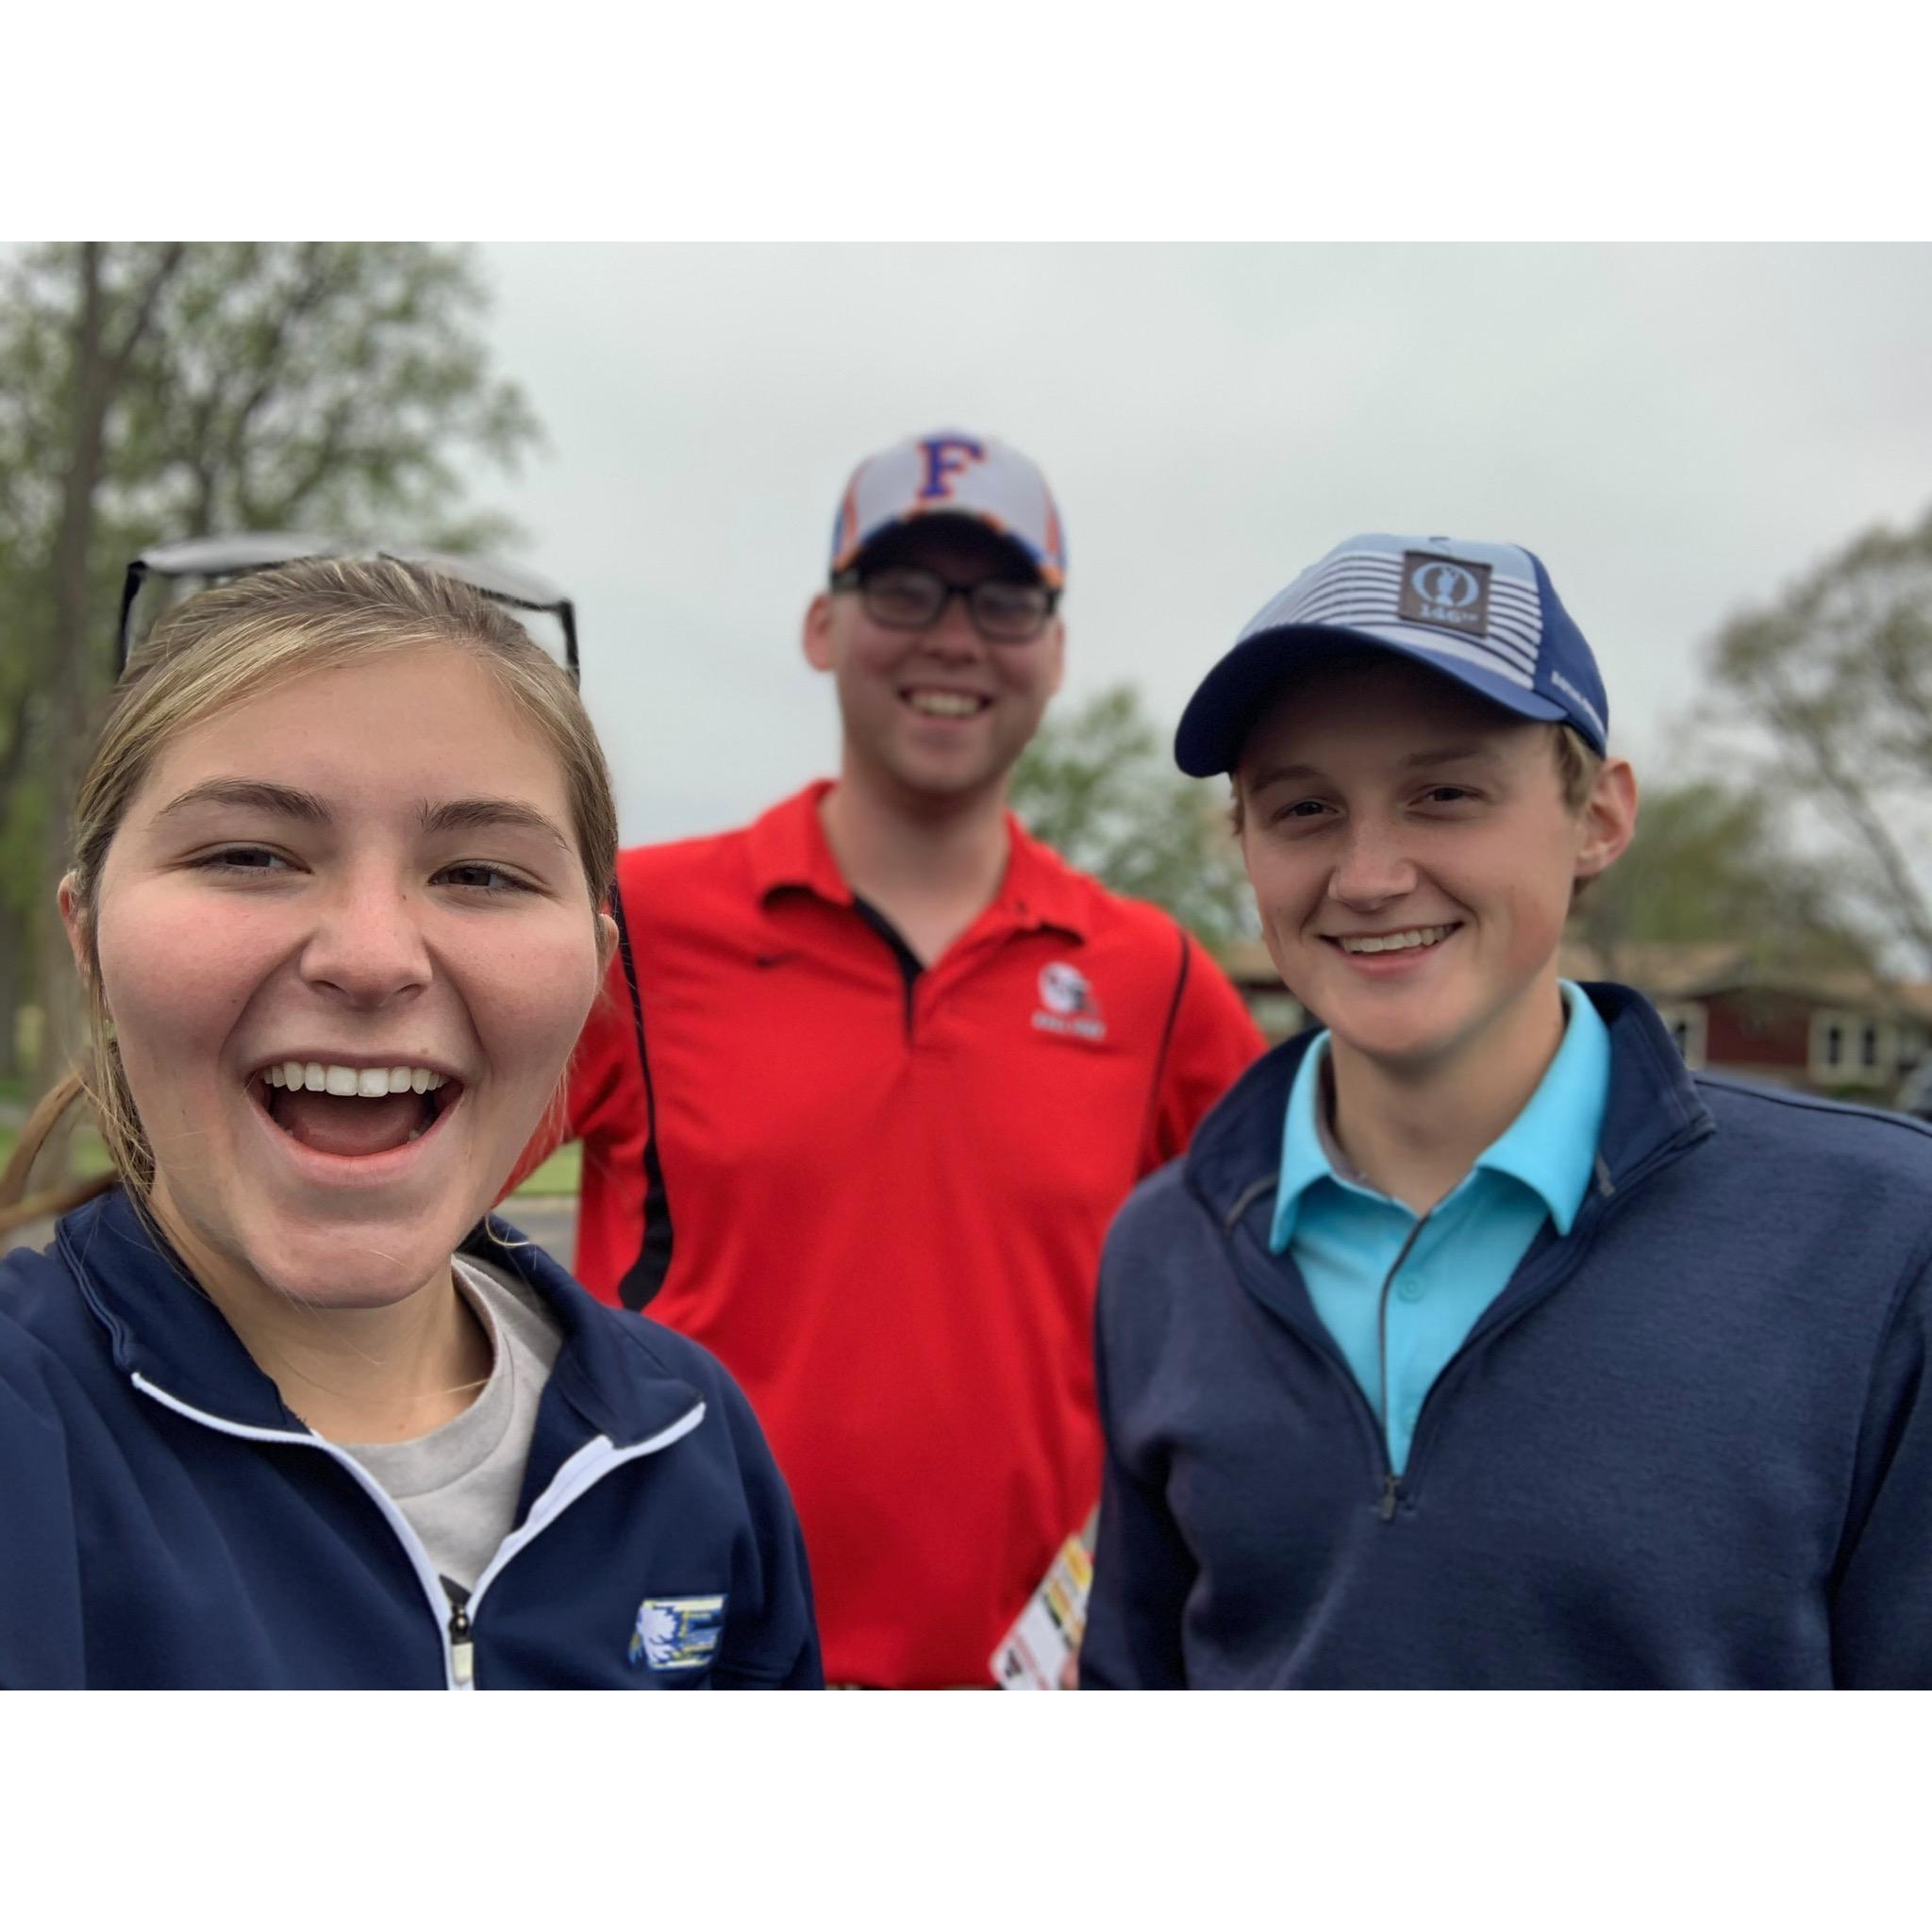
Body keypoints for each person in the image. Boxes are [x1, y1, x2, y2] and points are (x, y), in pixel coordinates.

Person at [1079, 532, 1932, 1690]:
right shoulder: (1166, 1247)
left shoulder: (1877, 1241)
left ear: (1598, 816)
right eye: (1302, 809)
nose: (1368, 874)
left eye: (1443, 794)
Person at [0, 558, 820, 1690]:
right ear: (88, 932)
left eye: (480, 871)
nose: (373, 957)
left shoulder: (688, 1439)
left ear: (595, 966)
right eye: (248, 854)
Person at [538, 430, 1263, 1687]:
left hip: (1028, 1684)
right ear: (823, 625)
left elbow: (1296, 1287)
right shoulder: (630, 932)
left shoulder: (1157, 982)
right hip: (676, 1660)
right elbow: (396, 1220)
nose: (954, 637)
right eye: (905, 590)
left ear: (1056, 649)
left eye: (1003, 600)